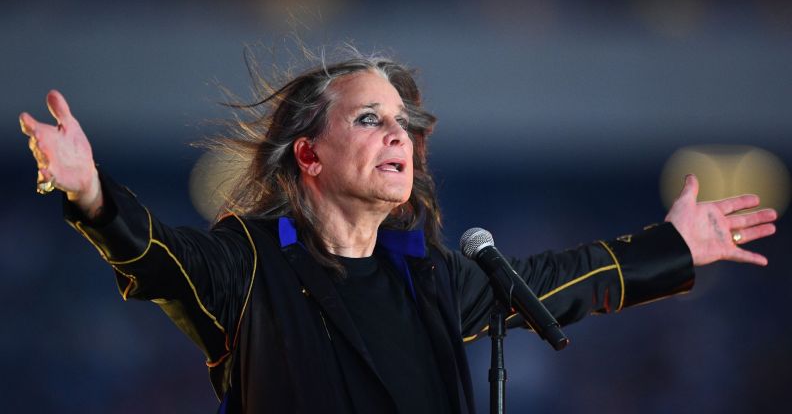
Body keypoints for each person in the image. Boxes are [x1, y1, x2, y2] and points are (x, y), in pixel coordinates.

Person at [19, 53, 777, 413]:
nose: (398, 136)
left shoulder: (430, 274)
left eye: (404, 124)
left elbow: (556, 282)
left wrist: (674, 247)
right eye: (369, 119)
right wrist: (91, 192)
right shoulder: (247, 261)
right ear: (308, 156)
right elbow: (156, 256)